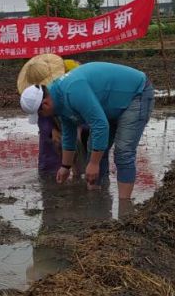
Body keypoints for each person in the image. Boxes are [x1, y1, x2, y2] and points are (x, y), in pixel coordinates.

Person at [19, 61, 154, 201]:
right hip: (111, 102)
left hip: (136, 93)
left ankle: (124, 208)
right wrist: (65, 166)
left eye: (40, 114)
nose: (42, 118)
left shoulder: (72, 90)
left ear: (45, 104)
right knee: (94, 146)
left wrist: (94, 163)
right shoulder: (56, 98)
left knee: (123, 152)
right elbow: (68, 134)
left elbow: (100, 126)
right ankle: (98, 199)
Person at [16, 54, 110, 181]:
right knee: (54, 140)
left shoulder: (73, 74)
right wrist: (53, 130)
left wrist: (79, 127)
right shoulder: (36, 99)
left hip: (81, 108)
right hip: (52, 108)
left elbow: (90, 111)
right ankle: (51, 175)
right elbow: (44, 115)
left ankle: (86, 174)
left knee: (84, 141)